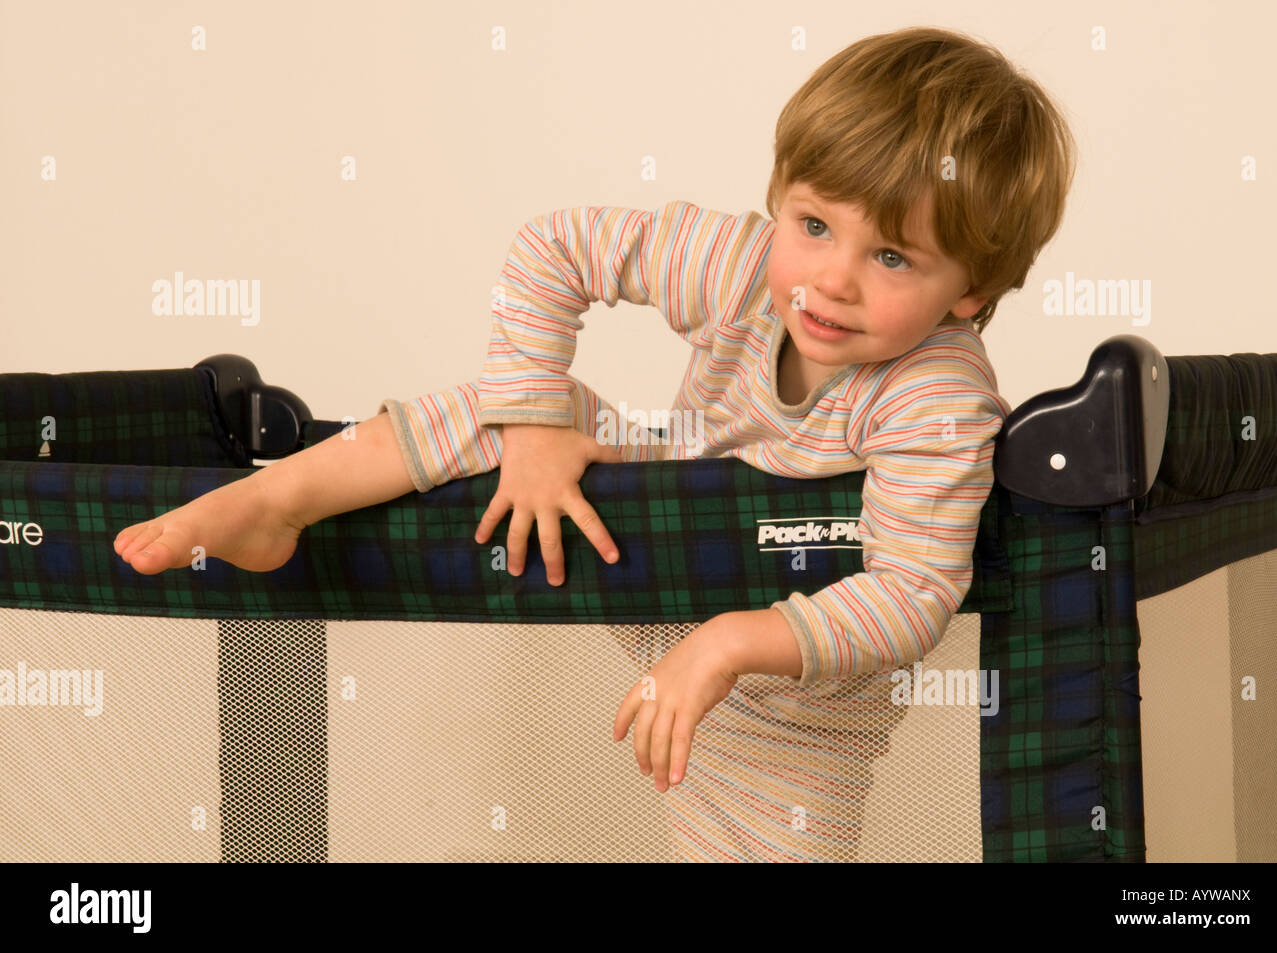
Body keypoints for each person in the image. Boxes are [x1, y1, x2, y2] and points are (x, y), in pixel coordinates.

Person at [114, 26, 1076, 861]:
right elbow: (552, 249)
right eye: (815, 224)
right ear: (778, 197)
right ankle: (276, 501)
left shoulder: (940, 395)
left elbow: (911, 594)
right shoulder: (742, 265)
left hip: (794, 717)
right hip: (646, 563)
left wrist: (730, 643)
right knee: (529, 399)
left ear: (969, 293)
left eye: (893, 256)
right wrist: (535, 431)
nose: (831, 281)